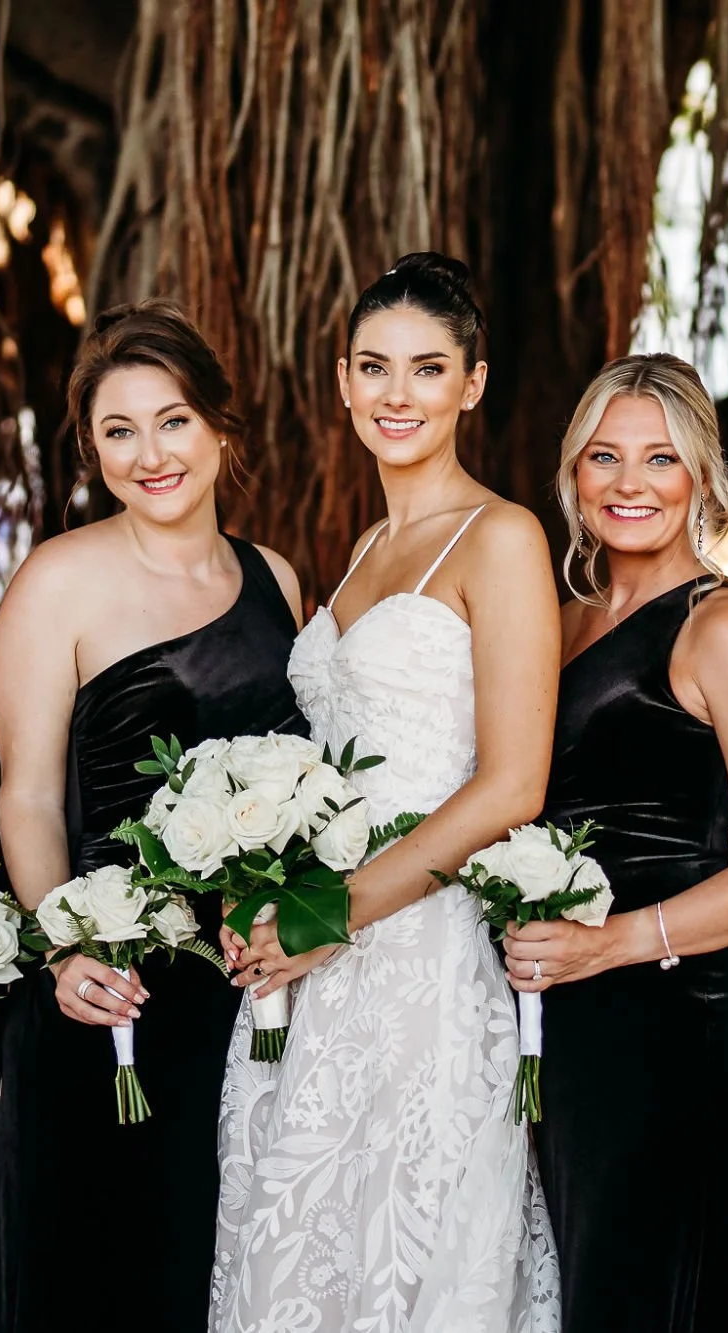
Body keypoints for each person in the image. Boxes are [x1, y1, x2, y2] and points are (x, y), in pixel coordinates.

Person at [212, 253, 561, 1331]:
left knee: (405, 1246)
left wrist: (333, 914)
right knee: (299, 1241)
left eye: (425, 368)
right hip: (314, 947)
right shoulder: (364, 546)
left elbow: (510, 781)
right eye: (372, 367)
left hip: (420, 942)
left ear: (473, 384)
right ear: (341, 380)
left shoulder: (499, 537)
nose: (394, 394)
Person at [0, 301, 306, 1332]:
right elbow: (25, 792)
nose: (149, 454)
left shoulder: (276, 579)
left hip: (254, 985)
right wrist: (66, 946)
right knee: (109, 1266)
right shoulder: (57, 582)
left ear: (220, 428)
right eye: (118, 431)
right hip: (112, 987)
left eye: (171, 422)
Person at [501, 353, 728, 1332]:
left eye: (658, 458)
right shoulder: (552, 623)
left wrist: (611, 941)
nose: (628, 483)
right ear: (572, 476)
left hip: (680, 1019)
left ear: (698, 478)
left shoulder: (722, 628)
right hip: (564, 1021)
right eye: (604, 456)